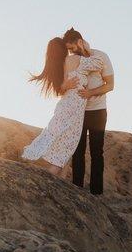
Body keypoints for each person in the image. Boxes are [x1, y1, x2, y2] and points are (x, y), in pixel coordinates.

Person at [21, 37, 103, 178]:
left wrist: (65, 86)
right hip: (73, 109)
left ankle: (61, 182)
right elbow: (99, 64)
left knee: (63, 142)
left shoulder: (58, 65)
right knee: (68, 143)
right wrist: (86, 49)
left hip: (65, 106)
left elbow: (59, 90)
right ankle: (47, 181)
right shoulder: (74, 60)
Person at [62, 28, 114, 195]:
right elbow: (62, 85)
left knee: (96, 152)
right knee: (78, 151)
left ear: (80, 41)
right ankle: (77, 192)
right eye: (68, 50)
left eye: (72, 48)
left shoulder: (101, 56)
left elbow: (110, 85)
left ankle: (96, 194)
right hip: (78, 111)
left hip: (98, 111)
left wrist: (90, 93)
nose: (71, 52)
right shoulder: (71, 61)